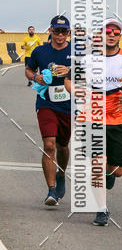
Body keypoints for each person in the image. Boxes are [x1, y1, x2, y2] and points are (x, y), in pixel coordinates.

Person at [67, 17, 122, 226]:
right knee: (97, 163)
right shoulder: (86, 59)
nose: (111, 35)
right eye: (107, 31)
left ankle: (109, 174)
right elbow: (68, 80)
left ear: (120, 36)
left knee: (117, 170)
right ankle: (101, 208)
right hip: (92, 116)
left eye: (115, 32)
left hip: (119, 118)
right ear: (100, 34)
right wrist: (77, 91)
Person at [25, 15, 72, 206]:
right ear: (50, 31)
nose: (60, 34)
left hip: (67, 104)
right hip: (46, 102)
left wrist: (69, 71)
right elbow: (28, 70)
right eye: (56, 31)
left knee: (62, 145)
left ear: (68, 32)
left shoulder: (76, 51)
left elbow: (89, 74)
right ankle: (51, 190)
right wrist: (35, 78)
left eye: (64, 31)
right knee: (49, 145)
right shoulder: (40, 51)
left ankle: (61, 173)